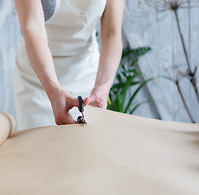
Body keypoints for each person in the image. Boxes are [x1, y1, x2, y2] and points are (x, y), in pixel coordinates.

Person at [14, 0, 124, 130]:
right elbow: (33, 29)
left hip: (86, 72)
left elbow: (112, 34)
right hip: (37, 78)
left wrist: (102, 89)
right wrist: (53, 90)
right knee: (40, 146)